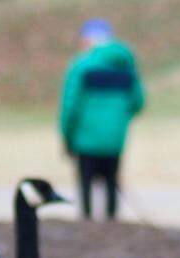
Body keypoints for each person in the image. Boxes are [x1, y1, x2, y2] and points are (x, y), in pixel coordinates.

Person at [59, 19, 144, 220]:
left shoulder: (81, 66)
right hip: (115, 139)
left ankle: (86, 222)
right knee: (112, 182)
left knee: (86, 184)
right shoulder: (125, 66)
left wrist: (67, 138)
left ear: (87, 41)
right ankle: (112, 221)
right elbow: (138, 102)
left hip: (85, 139)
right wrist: (117, 119)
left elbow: (70, 107)